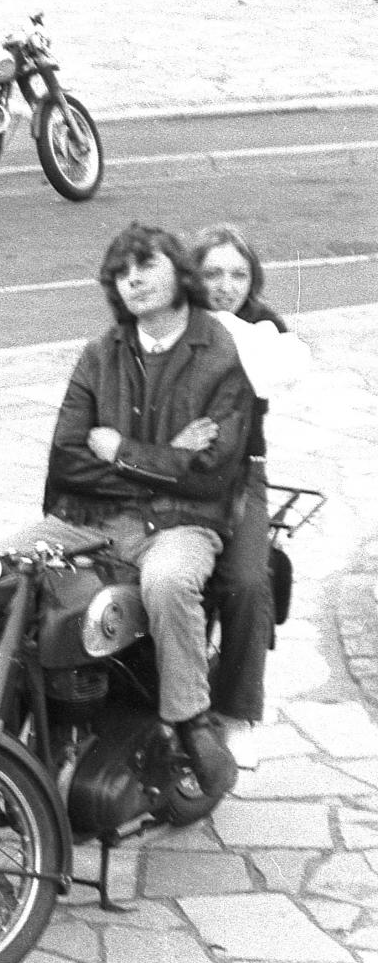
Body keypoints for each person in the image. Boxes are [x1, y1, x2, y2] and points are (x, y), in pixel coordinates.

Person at [45, 225, 252, 810]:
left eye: (146, 265)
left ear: (179, 271)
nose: (132, 278)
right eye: (121, 271)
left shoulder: (219, 352)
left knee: (166, 582)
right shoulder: (99, 352)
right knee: (0, 565)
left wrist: (121, 449)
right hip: (92, 515)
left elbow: (212, 470)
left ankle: (191, 722)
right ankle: (16, 718)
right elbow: (66, 459)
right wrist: (165, 457)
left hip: (182, 520)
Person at [194, 224, 311, 755]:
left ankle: (235, 710)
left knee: (245, 579)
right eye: (214, 272)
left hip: (241, 472)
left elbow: (273, 372)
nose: (226, 285)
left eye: (238, 274)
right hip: (163, 470)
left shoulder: (262, 327)